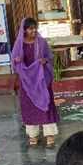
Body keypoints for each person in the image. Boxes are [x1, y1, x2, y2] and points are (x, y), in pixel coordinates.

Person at [11, 17, 59, 146]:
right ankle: (33, 134)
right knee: (29, 106)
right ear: (24, 30)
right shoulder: (19, 44)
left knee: (46, 102)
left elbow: (49, 57)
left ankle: (49, 133)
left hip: (41, 79)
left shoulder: (41, 42)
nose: (33, 31)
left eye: (35, 28)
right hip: (27, 81)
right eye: (30, 28)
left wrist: (45, 61)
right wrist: (17, 61)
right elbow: (14, 61)